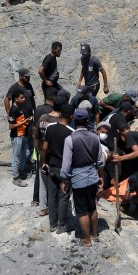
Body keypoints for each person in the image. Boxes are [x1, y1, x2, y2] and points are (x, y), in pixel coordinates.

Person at [61, 108, 105, 247]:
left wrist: (63, 180)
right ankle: (95, 234)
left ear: (74, 119)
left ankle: (86, 240)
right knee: (92, 207)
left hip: (78, 179)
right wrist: (101, 177)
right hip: (92, 177)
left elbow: (66, 164)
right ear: (87, 121)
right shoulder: (95, 137)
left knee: (81, 211)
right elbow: (100, 161)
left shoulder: (70, 139)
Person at [43, 104, 74, 234]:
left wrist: (45, 162)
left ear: (60, 114)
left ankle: (52, 224)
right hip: (64, 169)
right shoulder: (71, 132)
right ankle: (61, 225)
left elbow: (45, 148)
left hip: (52, 166)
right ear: (71, 116)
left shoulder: (50, 128)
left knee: (52, 195)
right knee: (63, 196)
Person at [7, 90, 32, 188]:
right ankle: (15, 178)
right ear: (16, 99)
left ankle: (19, 171)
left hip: (22, 135)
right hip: (17, 136)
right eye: (22, 97)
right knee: (16, 157)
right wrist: (24, 122)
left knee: (26, 153)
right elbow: (11, 126)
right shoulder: (13, 109)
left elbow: (20, 121)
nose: (24, 99)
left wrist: (26, 122)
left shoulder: (19, 108)